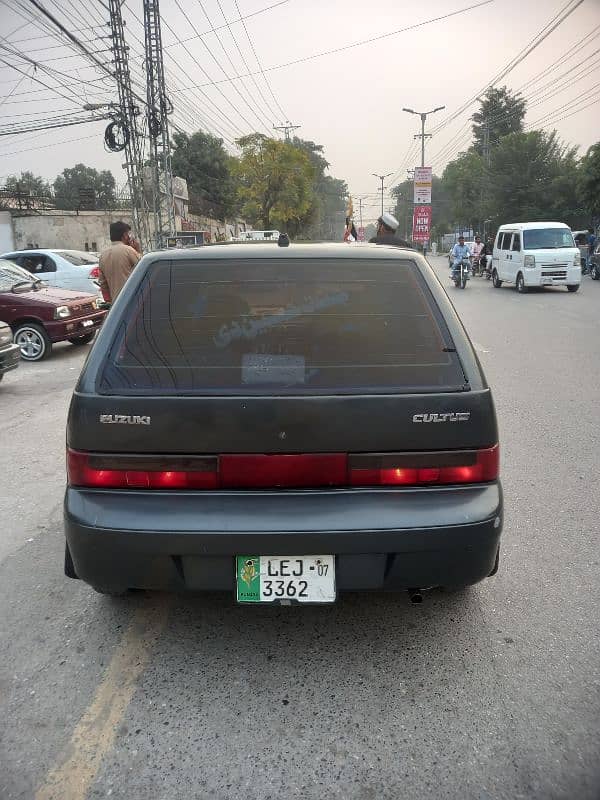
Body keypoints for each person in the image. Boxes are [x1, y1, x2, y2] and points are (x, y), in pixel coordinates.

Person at [98, 221, 142, 303]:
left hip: (116, 304)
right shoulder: (129, 250)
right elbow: (143, 268)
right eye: (128, 234)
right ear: (125, 235)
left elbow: (103, 284)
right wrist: (137, 250)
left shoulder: (103, 255)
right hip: (132, 300)